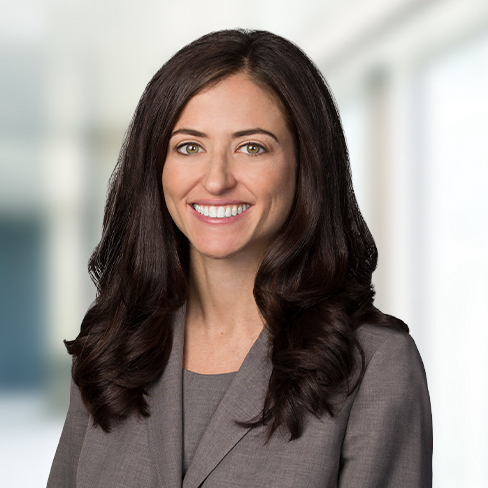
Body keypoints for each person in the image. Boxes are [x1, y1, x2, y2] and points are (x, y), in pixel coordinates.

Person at [47, 29, 432, 488]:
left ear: (305, 165)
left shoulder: (375, 365)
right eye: (189, 146)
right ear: (156, 166)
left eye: (253, 147)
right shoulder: (110, 346)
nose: (215, 180)